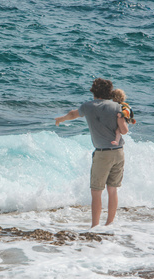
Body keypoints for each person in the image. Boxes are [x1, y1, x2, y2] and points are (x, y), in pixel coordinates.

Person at [55, 78, 128, 229]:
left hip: (103, 154)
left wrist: (61, 119)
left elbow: (73, 114)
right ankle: (109, 224)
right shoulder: (117, 106)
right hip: (119, 152)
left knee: (96, 191)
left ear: (94, 92)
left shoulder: (88, 106)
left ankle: (95, 227)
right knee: (112, 189)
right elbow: (123, 129)